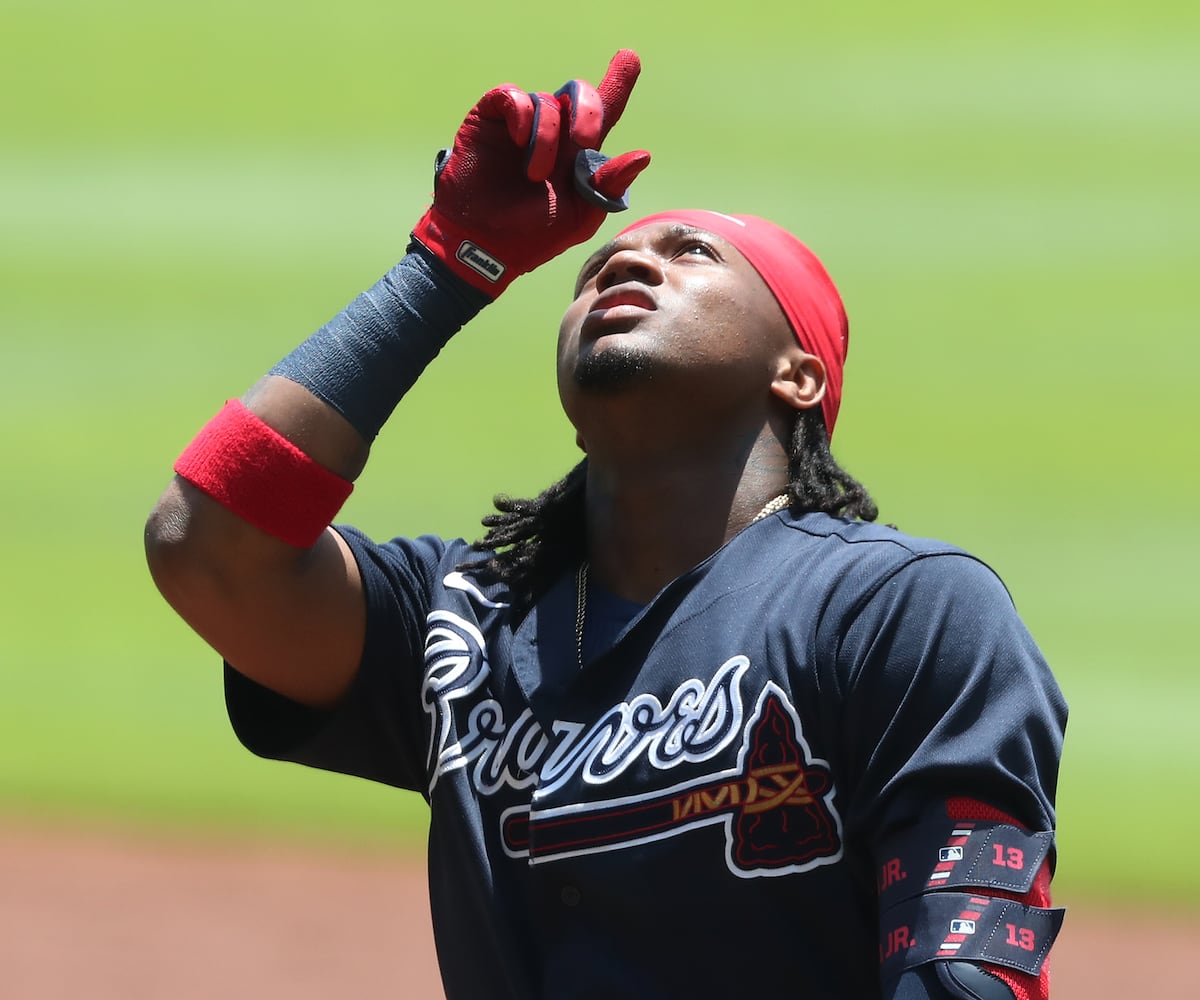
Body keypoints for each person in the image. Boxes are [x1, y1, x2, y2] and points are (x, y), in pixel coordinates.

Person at [145, 50, 1067, 1000]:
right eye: (596, 268)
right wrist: (453, 260)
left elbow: (968, 975)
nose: (627, 256)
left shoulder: (897, 610)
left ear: (799, 373)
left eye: (693, 255)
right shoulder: (464, 621)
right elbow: (210, 548)